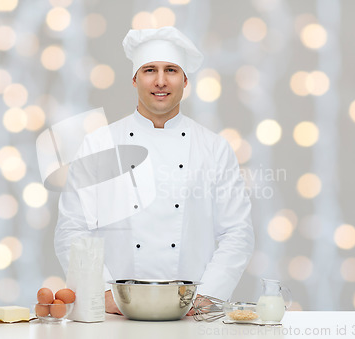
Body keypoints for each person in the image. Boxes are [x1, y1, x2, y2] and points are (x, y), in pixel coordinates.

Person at [55, 26, 254, 315]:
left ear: (185, 81)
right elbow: (72, 227)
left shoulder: (214, 148)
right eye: (150, 70)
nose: (160, 81)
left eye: (171, 70)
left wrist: (207, 296)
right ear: (134, 80)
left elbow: (238, 232)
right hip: (116, 315)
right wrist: (103, 293)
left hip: (191, 316)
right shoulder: (99, 144)